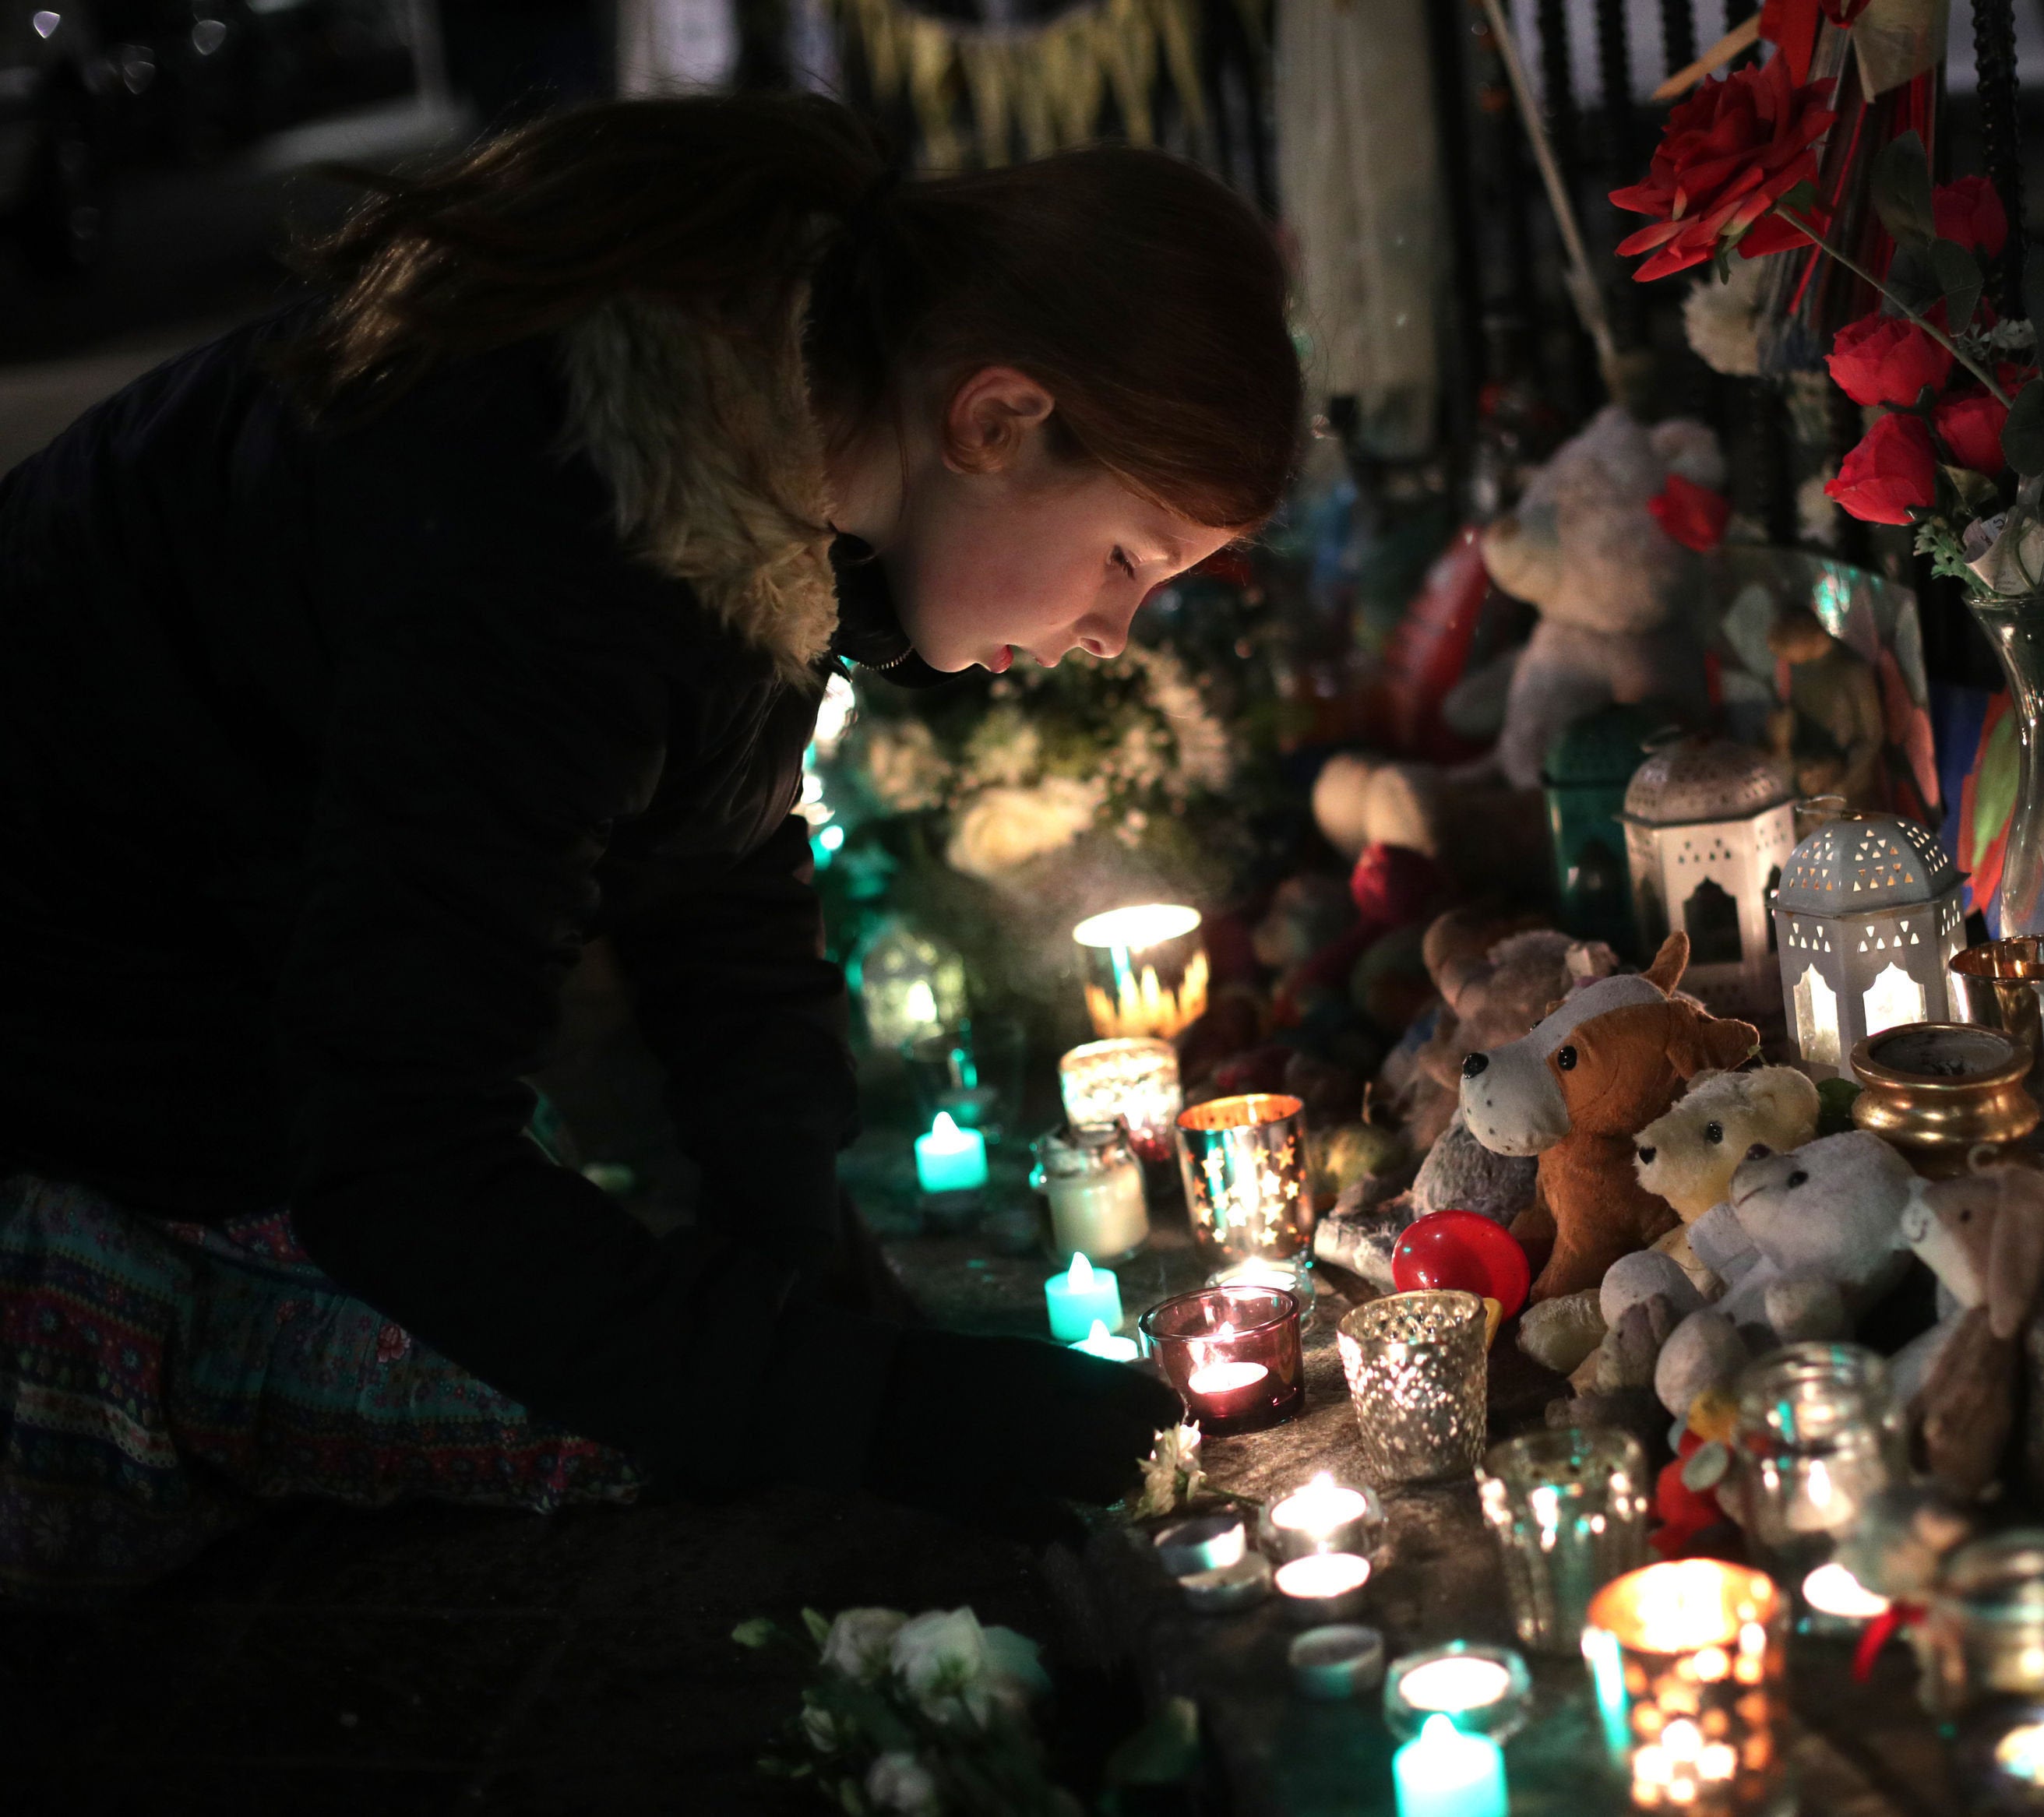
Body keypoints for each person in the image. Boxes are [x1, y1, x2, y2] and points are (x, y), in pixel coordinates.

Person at [0, 94, 1300, 1600]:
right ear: (996, 421)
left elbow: (720, 857)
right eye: (1130, 561)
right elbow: (401, 1152)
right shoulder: (548, 518)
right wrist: (872, 1407)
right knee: (590, 1418)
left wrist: (794, 1241)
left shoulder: (766, 418)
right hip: (78, 1035)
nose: (1109, 637)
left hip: (238, 987)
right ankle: (95, 1331)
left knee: (667, 1349)